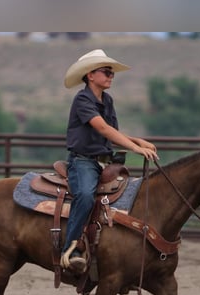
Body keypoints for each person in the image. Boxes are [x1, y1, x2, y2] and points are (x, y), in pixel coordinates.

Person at [61, 49, 160, 273]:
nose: (110, 76)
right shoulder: (82, 99)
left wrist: (138, 141)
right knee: (85, 197)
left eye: (112, 73)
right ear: (90, 75)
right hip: (83, 162)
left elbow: (112, 131)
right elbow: (102, 128)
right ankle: (70, 249)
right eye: (106, 72)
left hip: (104, 163)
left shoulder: (107, 100)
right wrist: (135, 147)